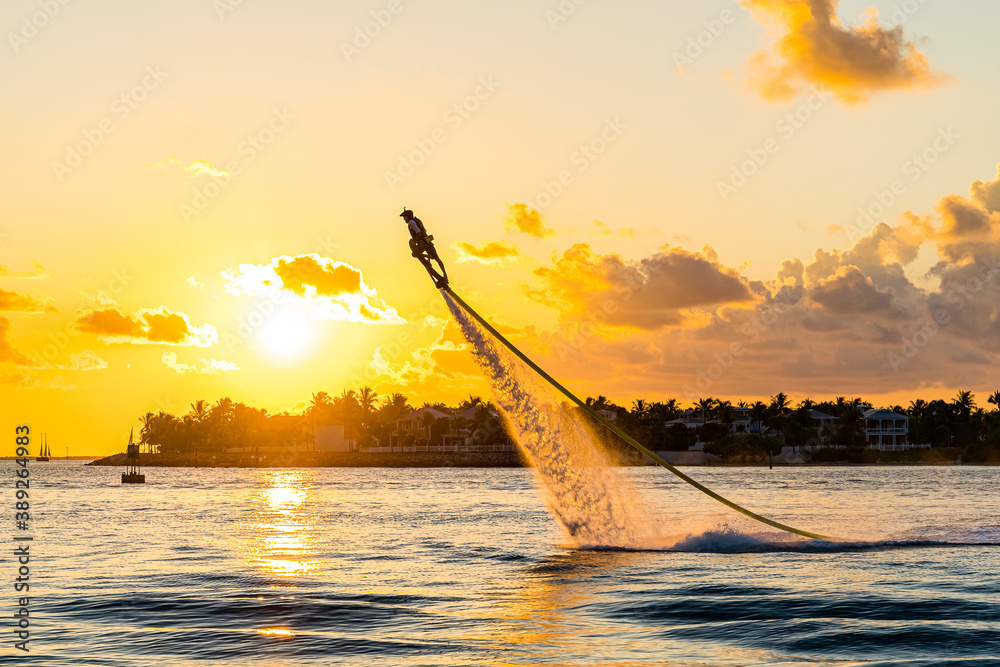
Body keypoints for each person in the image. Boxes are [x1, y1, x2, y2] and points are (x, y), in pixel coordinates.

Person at [401, 209, 449, 288]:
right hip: (428, 240)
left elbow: (418, 232)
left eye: (405, 217)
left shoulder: (411, 222)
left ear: (408, 216)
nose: (404, 219)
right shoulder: (417, 220)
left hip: (422, 243)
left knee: (415, 254)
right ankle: (445, 276)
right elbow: (424, 230)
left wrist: (416, 242)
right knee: (437, 259)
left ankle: (427, 260)